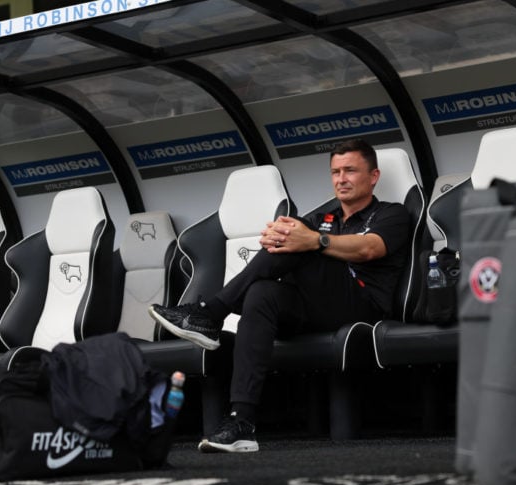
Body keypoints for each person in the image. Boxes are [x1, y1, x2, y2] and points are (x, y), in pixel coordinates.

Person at [149, 138, 410, 453]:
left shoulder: (391, 213)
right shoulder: (323, 218)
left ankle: (211, 313)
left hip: (362, 306)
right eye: (335, 172)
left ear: (373, 177)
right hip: (317, 307)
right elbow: (294, 244)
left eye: (351, 171)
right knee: (263, 292)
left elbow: (370, 248)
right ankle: (240, 421)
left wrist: (313, 240)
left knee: (299, 234)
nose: (341, 179)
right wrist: (280, 237)